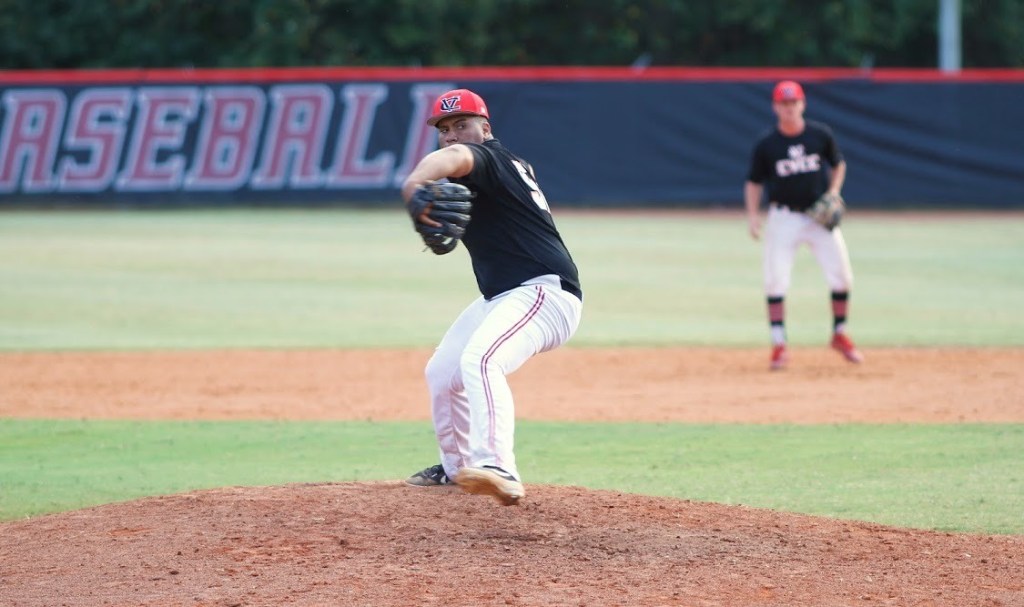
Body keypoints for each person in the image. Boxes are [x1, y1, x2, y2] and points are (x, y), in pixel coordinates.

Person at [400, 88, 584, 505]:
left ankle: (499, 466)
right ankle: (457, 467)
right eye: (444, 129)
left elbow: (456, 156)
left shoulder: (491, 158)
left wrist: (413, 183)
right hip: (503, 296)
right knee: (442, 373)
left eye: (461, 124)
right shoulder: (490, 169)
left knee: (482, 360)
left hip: (544, 291)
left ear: (485, 128)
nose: (452, 135)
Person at [744, 80, 863, 371]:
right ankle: (779, 344)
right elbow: (754, 182)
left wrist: (834, 192)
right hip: (783, 217)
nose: (789, 108)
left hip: (818, 217)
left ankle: (839, 333)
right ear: (775, 107)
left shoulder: (819, 135)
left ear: (802, 104)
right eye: (783, 103)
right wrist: (753, 215)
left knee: (842, 277)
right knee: (776, 280)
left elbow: (838, 163)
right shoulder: (767, 144)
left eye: (793, 102)